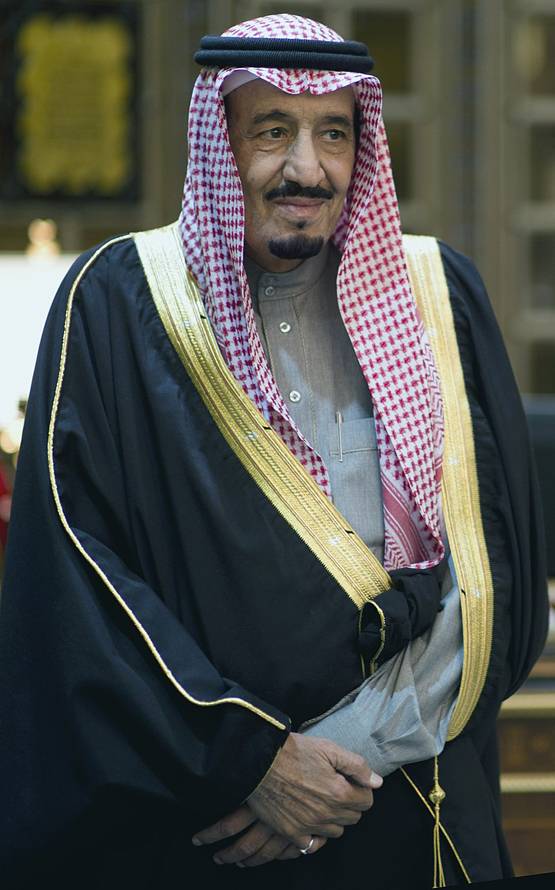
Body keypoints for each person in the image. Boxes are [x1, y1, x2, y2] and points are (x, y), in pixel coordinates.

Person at [0, 14, 548, 890]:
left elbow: (496, 578)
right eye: (271, 132)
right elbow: (75, 577)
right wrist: (249, 760)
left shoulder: (438, 296)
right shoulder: (119, 302)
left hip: (412, 809)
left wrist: (349, 749)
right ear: (218, 143)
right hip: (207, 826)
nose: (307, 168)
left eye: (333, 133)